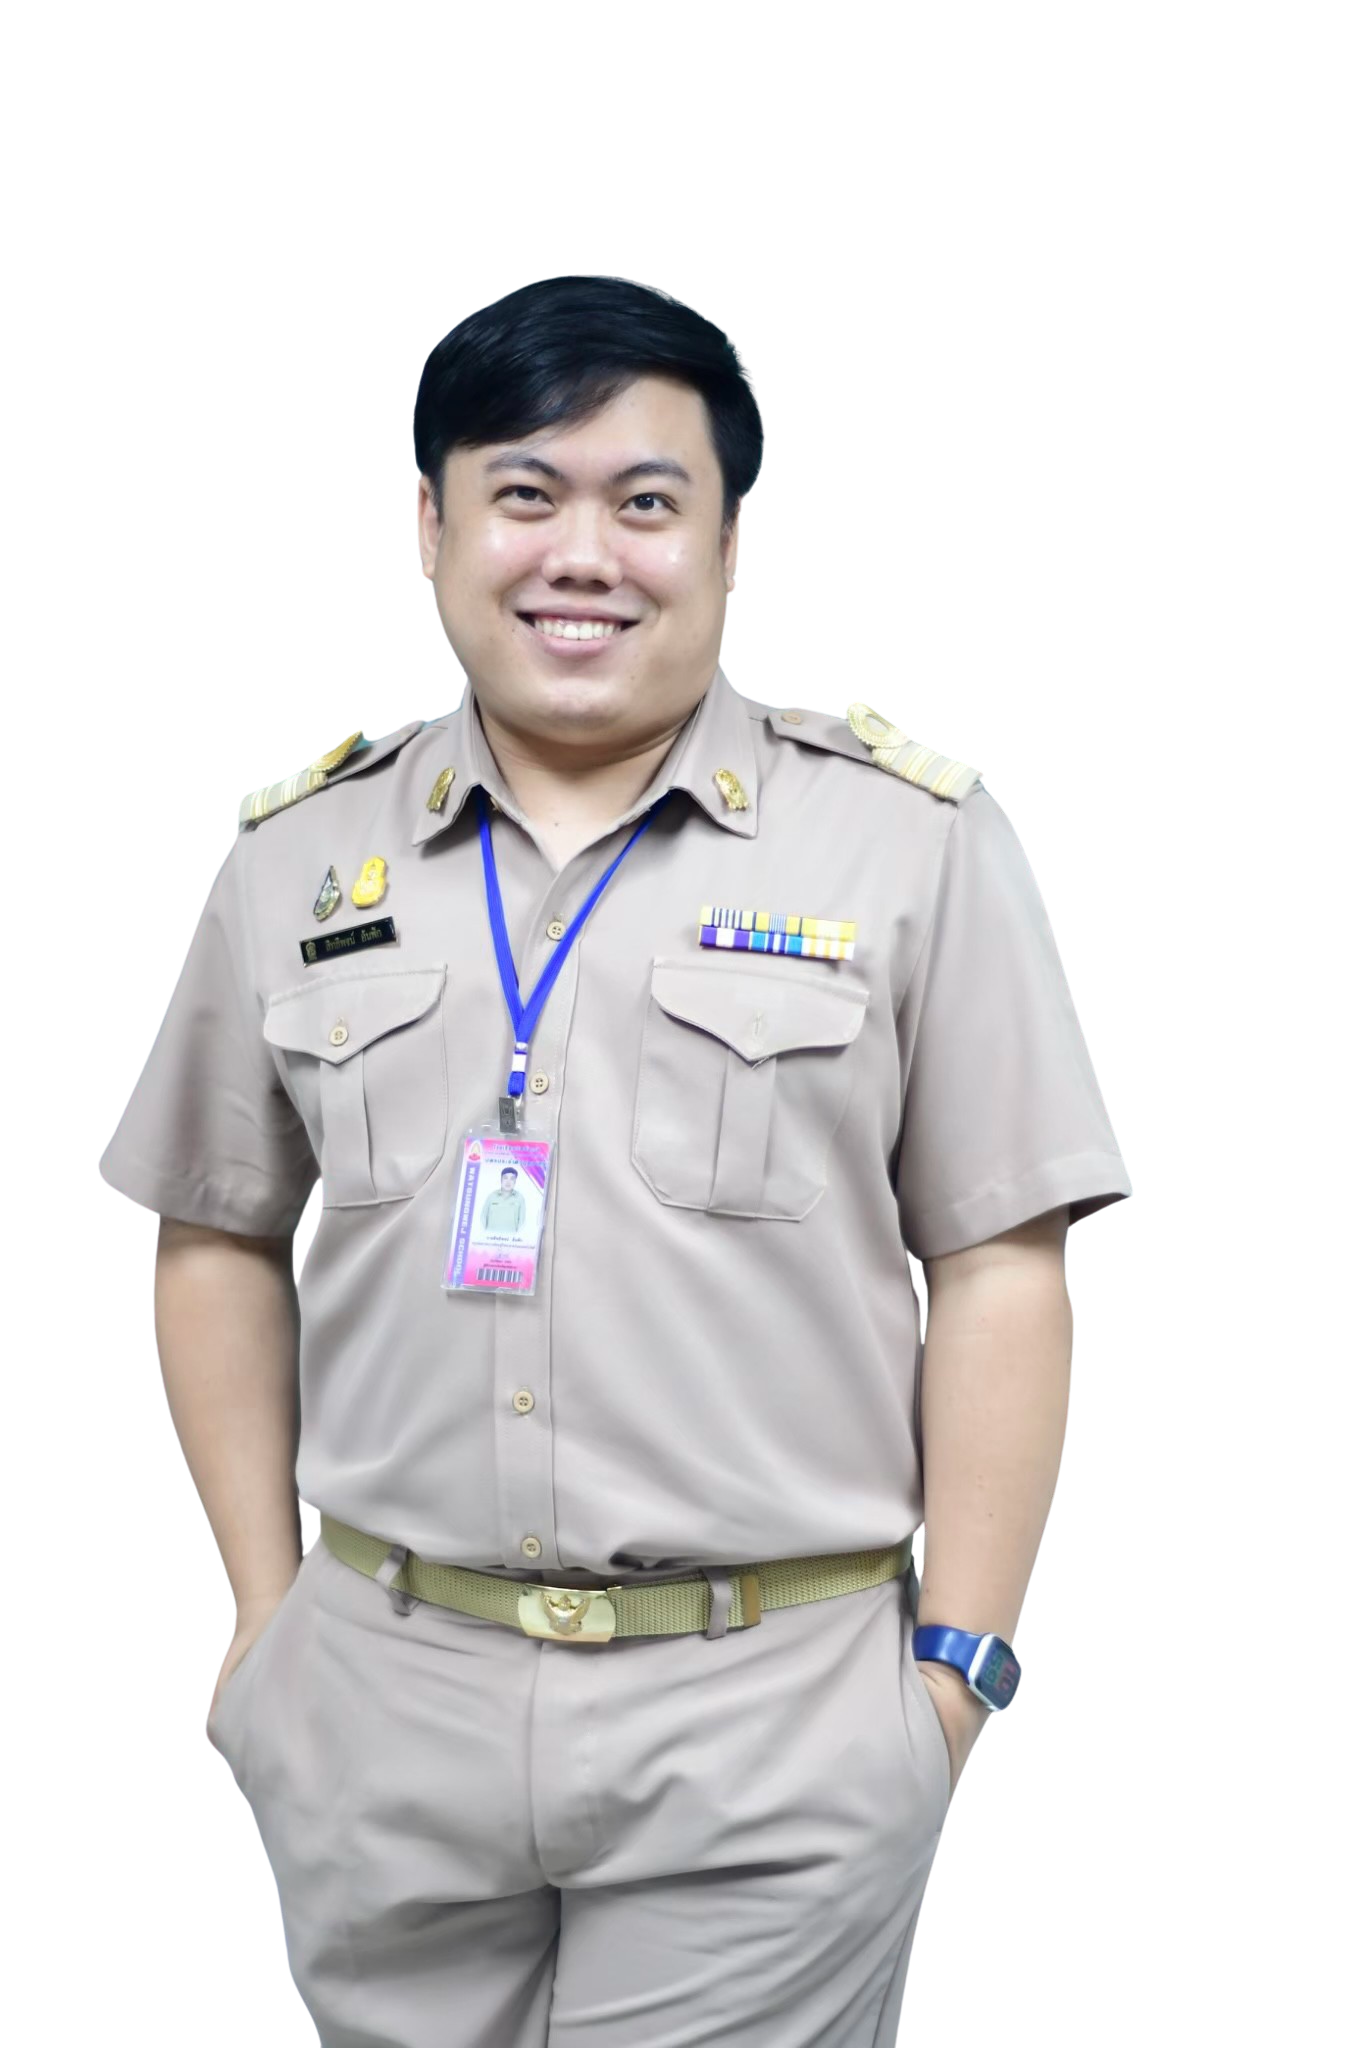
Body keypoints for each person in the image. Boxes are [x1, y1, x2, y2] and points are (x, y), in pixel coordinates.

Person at [98, 273, 1133, 2046]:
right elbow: (212, 1233)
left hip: (770, 1710)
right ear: (429, 528)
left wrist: (953, 1672)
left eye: (646, 502)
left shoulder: (910, 844)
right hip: (379, 1701)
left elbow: (999, 1264)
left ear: (728, 545)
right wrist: (270, 1624)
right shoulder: (297, 856)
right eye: (525, 493)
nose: (583, 552)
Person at [479, 1166, 527, 1236]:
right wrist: (485, 1235)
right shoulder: (492, 1196)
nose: (508, 1182)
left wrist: (516, 1237)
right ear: (501, 1179)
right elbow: (483, 1217)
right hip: (490, 1238)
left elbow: (522, 1221)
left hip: (511, 1239)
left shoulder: (520, 1198)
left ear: (515, 1181)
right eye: (505, 1178)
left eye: (512, 1179)